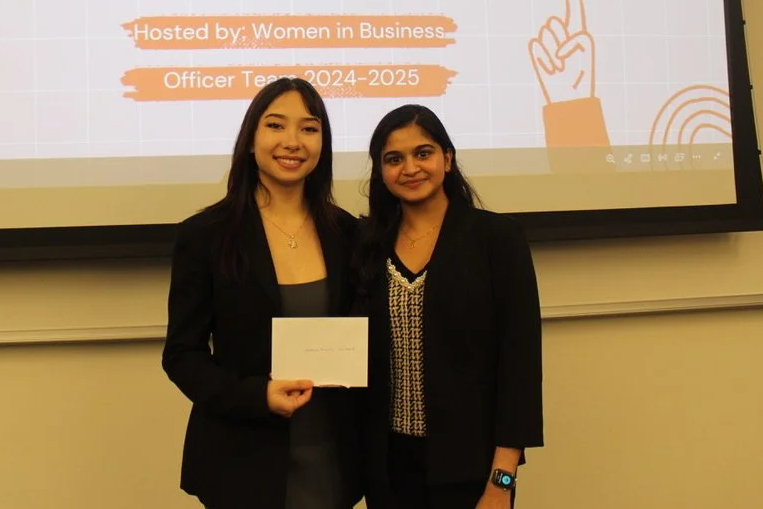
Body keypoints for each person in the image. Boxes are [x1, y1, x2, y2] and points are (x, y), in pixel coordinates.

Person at [162, 77, 364, 509]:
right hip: (242, 460)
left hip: (334, 458)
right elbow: (182, 355)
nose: (292, 141)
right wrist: (256, 396)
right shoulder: (205, 236)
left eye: (309, 129)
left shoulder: (348, 233)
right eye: (276, 126)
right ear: (251, 140)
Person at [353, 104, 544, 509]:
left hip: (472, 472)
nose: (410, 168)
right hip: (387, 470)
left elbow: (520, 370)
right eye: (394, 159)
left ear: (448, 159)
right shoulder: (365, 246)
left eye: (423, 153)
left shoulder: (497, 240)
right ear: (381, 171)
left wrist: (502, 481)